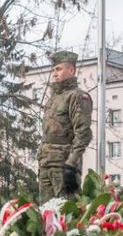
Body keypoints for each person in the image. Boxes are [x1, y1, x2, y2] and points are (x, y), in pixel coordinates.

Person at [37, 50, 93, 200]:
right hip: (46, 162)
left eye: (59, 69)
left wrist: (71, 164)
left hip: (63, 164)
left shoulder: (78, 96)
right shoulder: (54, 99)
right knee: (46, 214)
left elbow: (83, 133)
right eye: (53, 70)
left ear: (71, 70)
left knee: (65, 212)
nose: (55, 74)